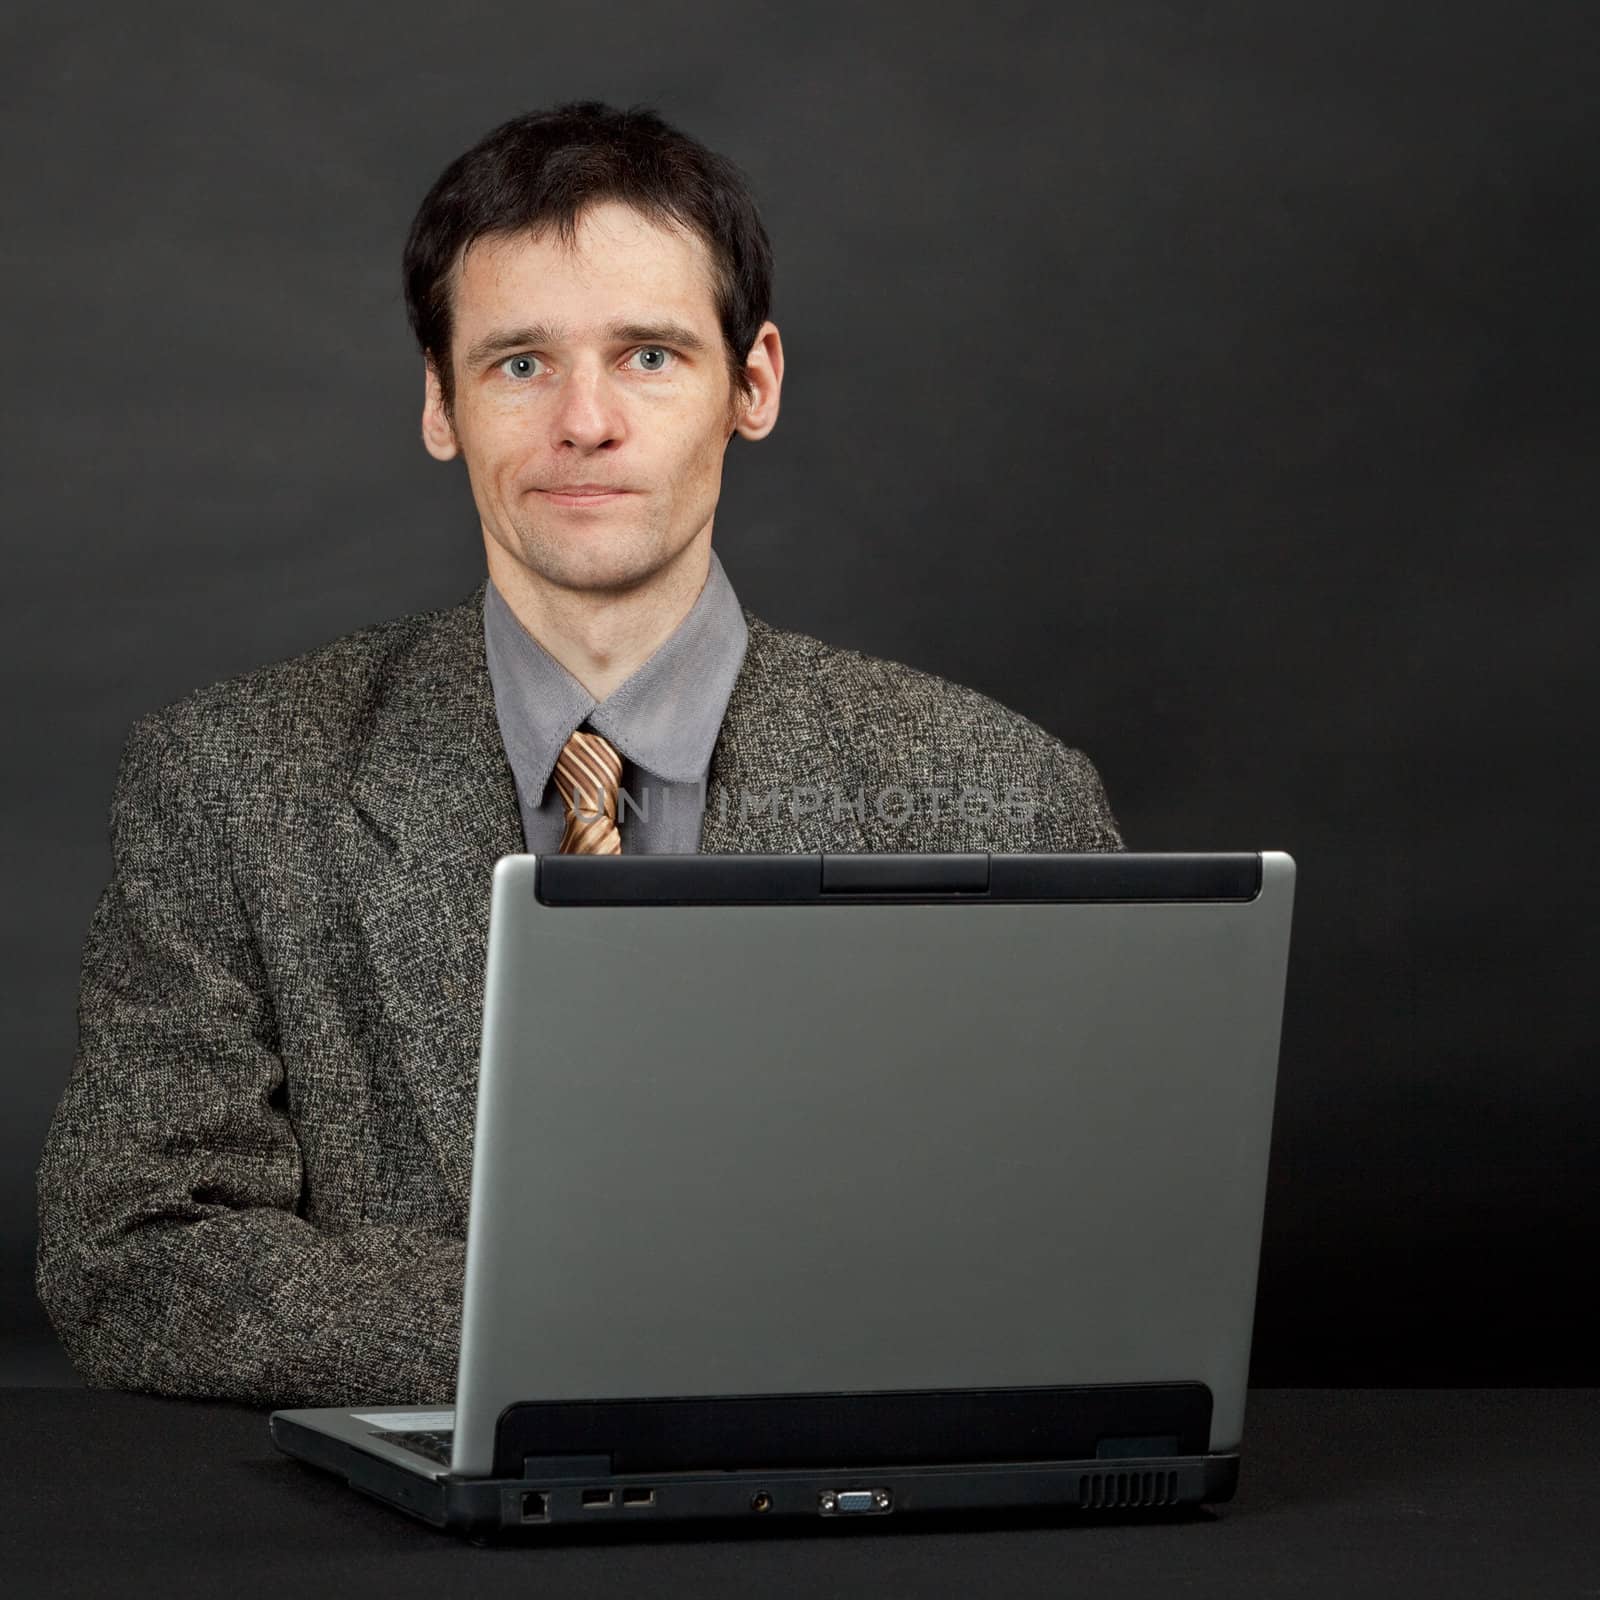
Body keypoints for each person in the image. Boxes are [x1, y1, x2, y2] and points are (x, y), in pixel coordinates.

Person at [35, 102, 1124, 1406]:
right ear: (441, 401)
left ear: (754, 383)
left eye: (651, 356)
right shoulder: (224, 781)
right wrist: (616, 1317)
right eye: (518, 364)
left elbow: (1093, 1246)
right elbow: (135, 1259)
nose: (585, 421)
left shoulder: (1001, 792)